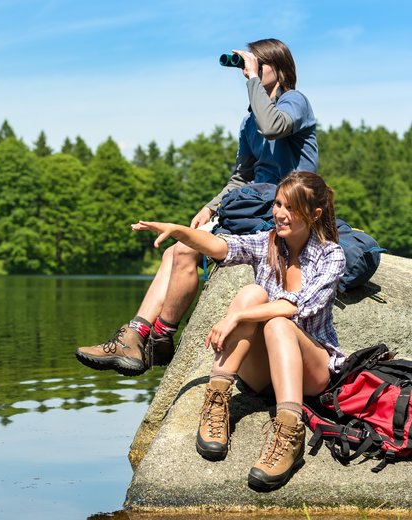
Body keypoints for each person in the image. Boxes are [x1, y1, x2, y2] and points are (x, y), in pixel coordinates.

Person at [75, 38, 318, 377]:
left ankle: (159, 337)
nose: (249, 72)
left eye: (257, 66)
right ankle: (137, 334)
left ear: (279, 69)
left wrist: (251, 81)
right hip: (253, 208)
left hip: (286, 211)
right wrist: (211, 207)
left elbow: (273, 127)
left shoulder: (295, 102)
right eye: (248, 68)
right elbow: (241, 177)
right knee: (175, 251)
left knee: (186, 252)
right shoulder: (249, 122)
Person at [132, 171, 345, 491]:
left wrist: (237, 317)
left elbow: (295, 307)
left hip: (309, 374)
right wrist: (179, 231)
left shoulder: (331, 256)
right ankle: (217, 401)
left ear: (315, 213)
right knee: (252, 294)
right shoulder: (268, 242)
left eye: (291, 206)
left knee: (276, 321)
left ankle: (289, 431)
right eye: (277, 204)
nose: (279, 213)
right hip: (262, 375)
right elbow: (220, 246)